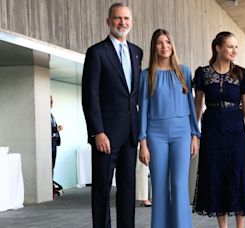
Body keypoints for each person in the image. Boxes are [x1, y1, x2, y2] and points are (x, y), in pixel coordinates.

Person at [81, 3, 143, 228]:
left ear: (132, 22)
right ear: (108, 21)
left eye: (126, 18)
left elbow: (132, 95)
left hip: (129, 134)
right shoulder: (96, 52)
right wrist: (97, 131)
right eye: (117, 18)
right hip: (105, 135)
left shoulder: (137, 52)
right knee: (101, 190)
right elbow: (90, 96)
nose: (122, 22)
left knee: (128, 190)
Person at [192, 31, 245, 228]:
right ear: (218, 48)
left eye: (236, 47)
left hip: (236, 131)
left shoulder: (242, 74)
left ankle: (240, 226)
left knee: (238, 175)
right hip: (212, 131)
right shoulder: (202, 73)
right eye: (230, 46)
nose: (234, 50)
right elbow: (197, 106)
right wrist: (194, 134)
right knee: (216, 175)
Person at [138, 29, 200, 228]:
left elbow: (191, 106)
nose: (165, 46)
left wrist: (194, 135)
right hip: (155, 135)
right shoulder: (146, 75)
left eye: (168, 42)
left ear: (172, 46)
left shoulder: (184, 71)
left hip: (182, 134)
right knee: (159, 186)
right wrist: (143, 142)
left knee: (179, 185)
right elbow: (143, 110)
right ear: (154, 47)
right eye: (160, 42)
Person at [50, 95, 64, 196]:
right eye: (49, 101)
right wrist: (56, 129)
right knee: (49, 165)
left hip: (54, 142)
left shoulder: (50, 114)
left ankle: (50, 186)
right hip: (48, 143)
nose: (51, 104)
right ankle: (49, 188)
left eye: (51, 102)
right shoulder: (42, 113)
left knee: (52, 166)